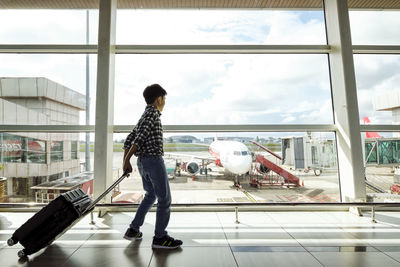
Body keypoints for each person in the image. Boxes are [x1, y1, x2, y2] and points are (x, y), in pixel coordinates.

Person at [122, 84, 183, 249]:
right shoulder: (153, 115)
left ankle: (133, 229)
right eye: (164, 99)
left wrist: (125, 161)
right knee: (165, 199)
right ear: (159, 99)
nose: (164, 102)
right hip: (153, 161)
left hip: (142, 162)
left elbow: (130, 139)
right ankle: (160, 237)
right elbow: (138, 139)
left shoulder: (144, 115)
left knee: (151, 195)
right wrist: (126, 161)